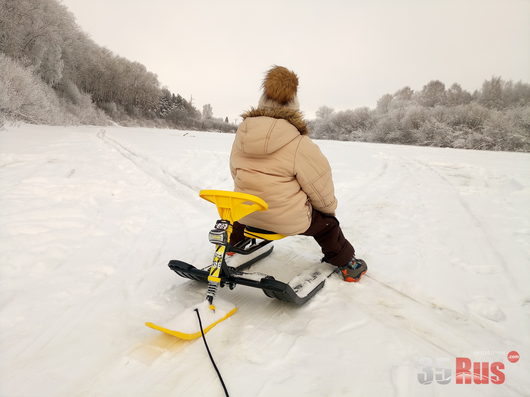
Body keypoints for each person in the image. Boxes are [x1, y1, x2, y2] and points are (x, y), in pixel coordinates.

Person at [229, 65, 367, 282]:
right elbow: (320, 189)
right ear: (293, 106)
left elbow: (235, 171)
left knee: (243, 208)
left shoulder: (242, 135)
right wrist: (327, 211)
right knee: (328, 224)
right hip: (286, 220)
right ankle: (347, 264)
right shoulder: (299, 143)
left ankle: (233, 245)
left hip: (246, 214)